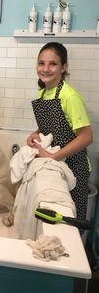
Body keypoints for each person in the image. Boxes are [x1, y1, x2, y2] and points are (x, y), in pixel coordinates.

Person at [27, 42, 93, 220]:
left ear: (64, 67)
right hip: (55, 164)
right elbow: (54, 125)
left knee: (70, 219)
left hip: (74, 166)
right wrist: (36, 133)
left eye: (53, 64)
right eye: (41, 63)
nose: (46, 69)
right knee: (52, 216)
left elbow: (86, 137)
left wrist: (53, 156)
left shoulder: (69, 96)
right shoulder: (43, 94)